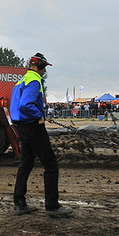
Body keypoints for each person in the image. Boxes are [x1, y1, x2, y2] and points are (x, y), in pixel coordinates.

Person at [10, 53, 73, 218]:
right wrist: (39, 115)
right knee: (51, 165)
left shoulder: (22, 79)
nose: (45, 71)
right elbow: (25, 104)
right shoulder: (35, 80)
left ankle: (19, 203)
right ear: (40, 66)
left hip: (23, 127)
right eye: (44, 67)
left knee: (26, 164)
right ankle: (52, 206)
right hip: (33, 126)